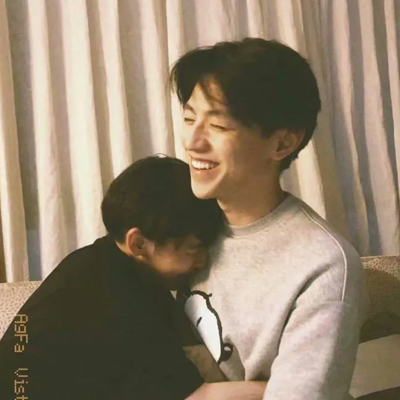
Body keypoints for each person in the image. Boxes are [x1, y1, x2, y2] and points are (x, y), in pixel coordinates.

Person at [170, 38, 367, 400]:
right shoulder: (179, 217)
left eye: (218, 126)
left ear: (282, 144)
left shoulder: (322, 265)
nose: (192, 141)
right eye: (188, 118)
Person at [0, 156, 267, 400]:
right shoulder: (119, 297)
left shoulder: (98, 260)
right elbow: (197, 397)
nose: (203, 261)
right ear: (138, 243)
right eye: (193, 249)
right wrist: (281, 384)